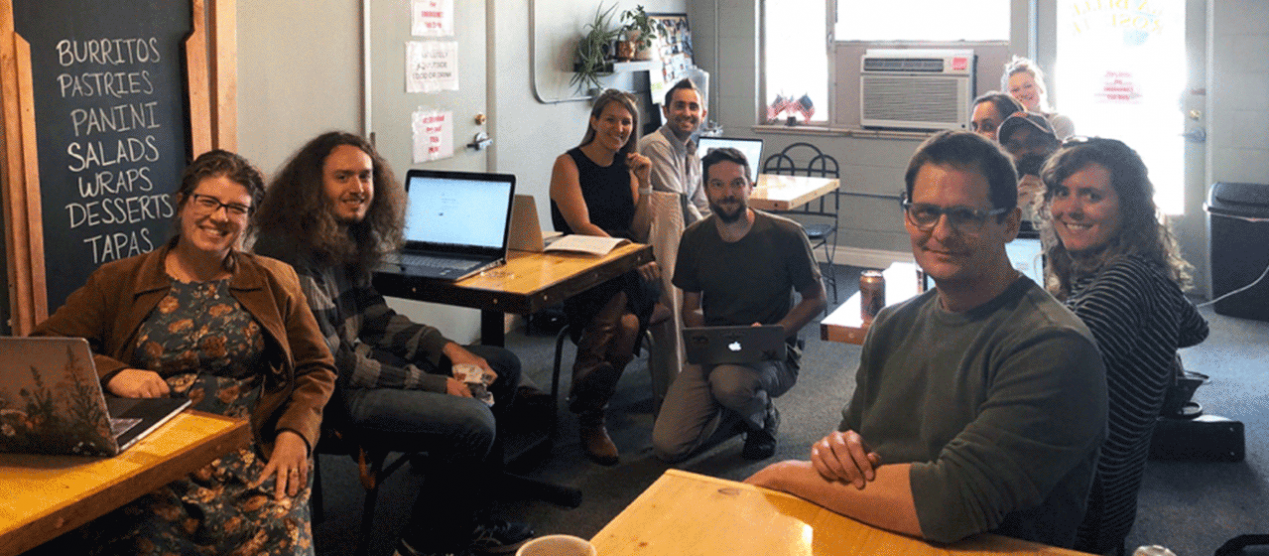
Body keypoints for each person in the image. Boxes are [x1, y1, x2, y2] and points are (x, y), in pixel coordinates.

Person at [746, 131, 1107, 549]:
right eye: (925, 212)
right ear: (907, 216)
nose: (941, 231)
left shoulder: (1053, 346)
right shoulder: (893, 325)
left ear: (1009, 223)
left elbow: (950, 502)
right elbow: (851, 449)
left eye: (967, 215)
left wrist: (784, 473)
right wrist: (836, 448)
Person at [31, 150, 338, 555]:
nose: (220, 216)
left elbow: (316, 368)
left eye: (236, 208)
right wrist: (110, 372)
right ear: (182, 202)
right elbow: (42, 351)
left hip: (254, 452)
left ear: (249, 219)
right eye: (208, 201)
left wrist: (296, 433)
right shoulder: (119, 281)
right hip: (153, 463)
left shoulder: (274, 280)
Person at [251, 132, 533, 556]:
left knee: (501, 366)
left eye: (365, 176)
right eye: (342, 176)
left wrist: (448, 349)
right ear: (313, 183)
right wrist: (438, 385)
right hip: (332, 396)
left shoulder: (343, 233)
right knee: (475, 422)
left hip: (362, 368)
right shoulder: (290, 251)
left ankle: (465, 516)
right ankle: (420, 544)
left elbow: (377, 320)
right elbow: (338, 365)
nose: (358, 187)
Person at [1039, 137, 1209, 555]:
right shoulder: (1142, 271)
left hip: (1075, 505)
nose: (1070, 208)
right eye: (1062, 192)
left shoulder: (1121, 285)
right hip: (1111, 491)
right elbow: (1194, 328)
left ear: (1128, 209)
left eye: (1091, 196)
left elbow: (1032, 380)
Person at [652, 147, 826, 462]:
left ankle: (762, 419)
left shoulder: (786, 235)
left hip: (773, 355)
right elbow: (690, 306)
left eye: (737, 183)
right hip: (717, 351)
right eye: (717, 184)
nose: (728, 193)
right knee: (668, 445)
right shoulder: (694, 238)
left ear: (750, 186)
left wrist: (776, 331)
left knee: (729, 383)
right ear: (705, 190)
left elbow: (816, 298)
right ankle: (739, 412)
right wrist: (706, 343)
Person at [548, 89, 662, 466]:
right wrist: (628, 256)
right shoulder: (568, 163)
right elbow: (580, 225)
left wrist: (644, 185)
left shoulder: (625, 167)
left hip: (624, 267)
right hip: (583, 270)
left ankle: (588, 402)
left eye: (627, 122)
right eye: (611, 119)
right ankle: (592, 412)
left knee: (627, 318)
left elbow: (639, 229)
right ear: (594, 121)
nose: (619, 128)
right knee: (627, 325)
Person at [637, 77, 710, 225]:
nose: (687, 113)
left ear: (703, 115)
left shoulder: (691, 150)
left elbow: (701, 204)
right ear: (665, 111)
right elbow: (679, 204)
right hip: (656, 239)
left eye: (693, 107)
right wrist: (711, 236)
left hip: (682, 232)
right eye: (679, 106)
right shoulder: (655, 146)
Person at [998, 111, 1061, 229]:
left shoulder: (1074, 192)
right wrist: (1014, 209)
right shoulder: (996, 198)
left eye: (1035, 142)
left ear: (1058, 146)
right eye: (1014, 147)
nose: (1025, 151)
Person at [1002, 55, 1075, 139]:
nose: (1022, 93)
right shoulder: (1003, 128)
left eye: (1028, 86)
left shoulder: (1060, 122)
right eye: (1015, 90)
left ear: (1040, 87)